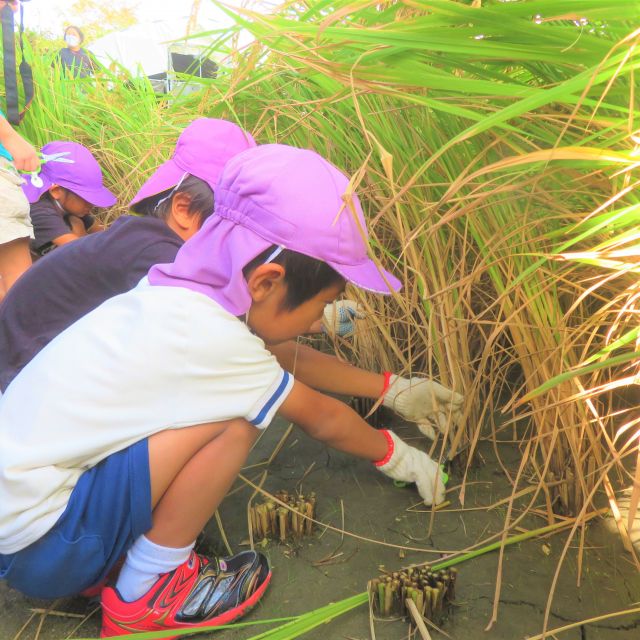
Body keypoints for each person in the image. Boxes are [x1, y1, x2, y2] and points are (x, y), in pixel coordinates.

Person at [0, 144, 462, 637]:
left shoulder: (162, 289)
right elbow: (322, 417)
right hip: (46, 545)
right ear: (265, 281)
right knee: (234, 424)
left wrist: (387, 388)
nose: (314, 322)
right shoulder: (219, 340)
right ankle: (149, 591)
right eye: (323, 303)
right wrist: (398, 456)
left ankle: (113, 563)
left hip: (21, 525)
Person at [0, 120, 463, 447]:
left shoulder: (153, 244)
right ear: (184, 208)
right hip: (24, 417)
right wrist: (390, 391)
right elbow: (262, 349)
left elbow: (253, 329)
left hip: (38, 404)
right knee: (224, 410)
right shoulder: (162, 263)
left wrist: (327, 330)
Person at [0, 118, 256, 392]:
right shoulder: (159, 256)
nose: (90, 206)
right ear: (183, 207)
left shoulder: (136, 236)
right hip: (22, 376)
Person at [23, 140, 115, 258]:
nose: (91, 204)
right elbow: (80, 253)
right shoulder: (39, 210)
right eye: (85, 197)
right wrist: (78, 231)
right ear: (56, 191)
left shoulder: (70, 204)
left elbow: (104, 235)